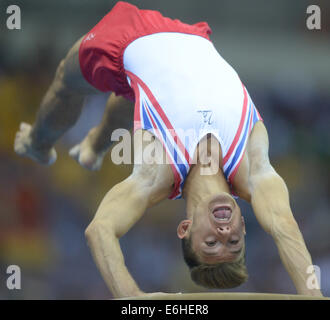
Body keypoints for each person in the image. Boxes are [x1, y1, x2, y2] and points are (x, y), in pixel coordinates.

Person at [14, 1, 322, 298]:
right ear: (244, 223)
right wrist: (312, 293)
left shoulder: (156, 174)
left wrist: (131, 295)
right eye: (235, 241)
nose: (225, 232)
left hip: (128, 40)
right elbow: (284, 227)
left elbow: (100, 230)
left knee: (65, 82)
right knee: (129, 95)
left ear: (185, 229)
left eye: (212, 243)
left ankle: (37, 142)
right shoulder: (254, 167)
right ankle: (94, 146)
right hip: (191, 38)